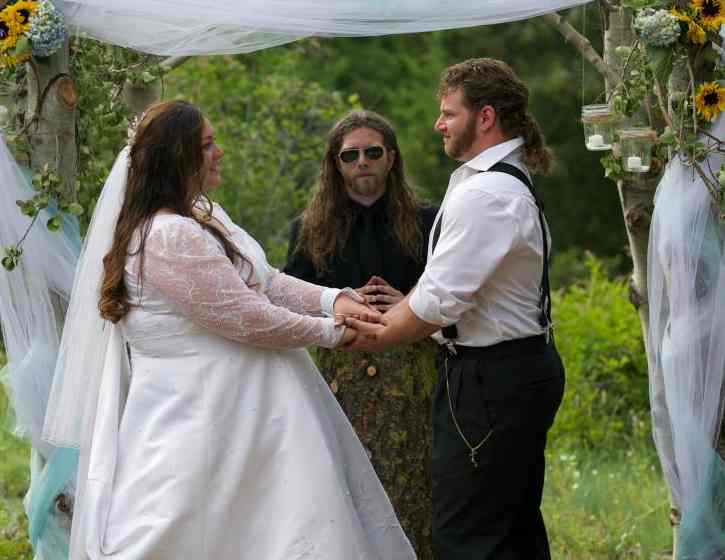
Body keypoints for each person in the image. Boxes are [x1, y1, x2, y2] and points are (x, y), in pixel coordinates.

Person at [43, 100, 417, 560]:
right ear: (179, 158)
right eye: (207, 144)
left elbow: (265, 279)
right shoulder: (167, 235)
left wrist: (332, 298)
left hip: (245, 410)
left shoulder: (202, 214)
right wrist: (333, 331)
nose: (218, 152)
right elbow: (245, 315)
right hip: (201, 416)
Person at [344, 59, 566, 559]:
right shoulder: (494, 180)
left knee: (467, 536)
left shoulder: (487, 193)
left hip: (490, 383)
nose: (438, 124)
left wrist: (358, 330)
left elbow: (435, 306)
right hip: (513, 371)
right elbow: (455, 292)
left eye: (448, 113)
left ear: (484, 117)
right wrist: (411, 305)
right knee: (511, 530)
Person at [284, 110, 437, 313]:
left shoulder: (429, 220)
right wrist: (339, 302)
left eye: (373, 152)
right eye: (350, 155)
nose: (362, 161)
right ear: (337, 164)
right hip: (341, 340)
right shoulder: (308, 228)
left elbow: (448, 287)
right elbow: (293, 298)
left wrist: (410, 304)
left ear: (390, 159)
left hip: (417, 338)